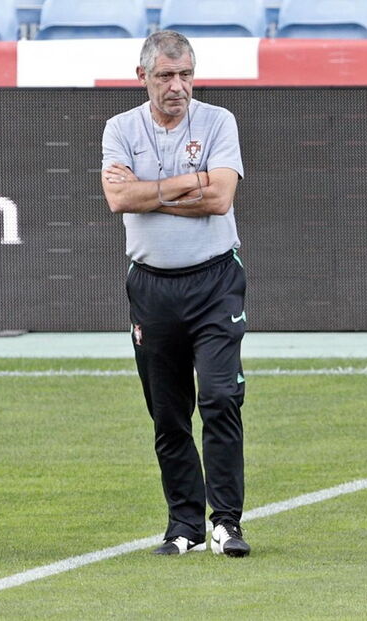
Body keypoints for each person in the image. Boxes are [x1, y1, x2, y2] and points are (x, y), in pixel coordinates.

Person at [100, 30, 250, 558]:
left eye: (186, 74)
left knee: (220, 397)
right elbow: (117, 198)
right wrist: (187, 183)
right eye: (166, 75)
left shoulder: (218, 121)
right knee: (167, 411)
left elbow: (221, 197)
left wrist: (151, 193)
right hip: (152, 286)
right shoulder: (120, 128)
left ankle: (226, 522)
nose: (178, 86)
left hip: (214, 281)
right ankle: (183, 524)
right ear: (142, 76)